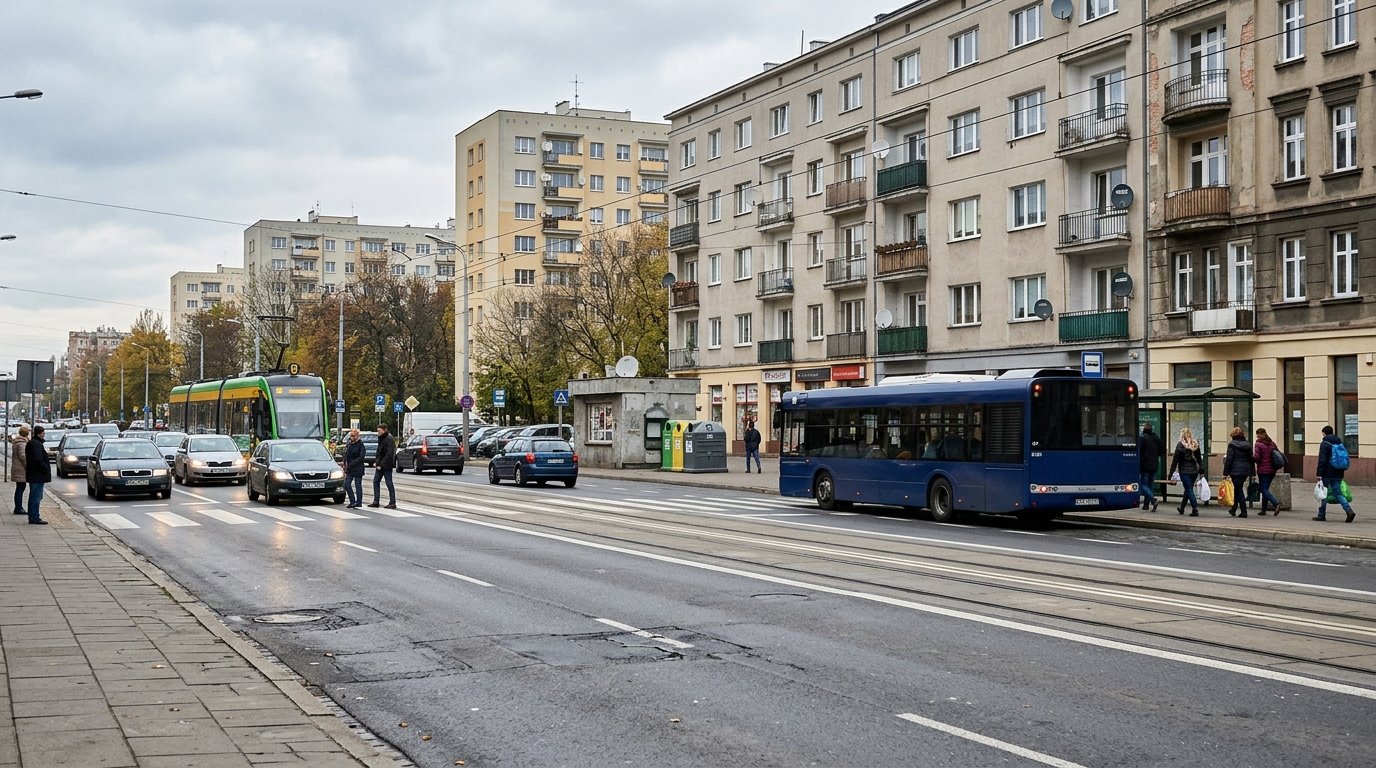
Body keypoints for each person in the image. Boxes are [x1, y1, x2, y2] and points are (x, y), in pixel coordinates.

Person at [1315, 425, 1355, 523]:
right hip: (1338, 472)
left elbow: (1322, 460)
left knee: (1323, 494)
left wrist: (1319, 473)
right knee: (1338, 493)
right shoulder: (1339, 442)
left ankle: (1321, 515)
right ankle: (1349, 511)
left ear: (1324, 433)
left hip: (1327, 473)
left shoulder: (1325, 443)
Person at [1168, 427, 1203, 517]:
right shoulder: (1195, 444)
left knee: (1189, 489)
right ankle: (1182, 508)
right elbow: (1199, 459)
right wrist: (1201, 470)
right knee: (1188, 489)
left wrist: (1170, 474)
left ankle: (1195, 508)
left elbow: (1175, 461)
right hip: (1194, 471)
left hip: (1184, 471)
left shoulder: (1180, 445)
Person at [1221, 426, 1254, 518]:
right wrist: (1253, 471)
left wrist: (1225, 472)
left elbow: (1229, 459)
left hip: (1235, 470)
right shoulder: (1247, 445)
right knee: (1237, 488)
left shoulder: (1232, 445)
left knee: (1239, 490)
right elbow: (1251, 459)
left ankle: (1244, 511)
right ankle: (1234, 509)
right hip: (1245, 470)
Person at [24, 425, 51, 525]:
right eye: (43, 433)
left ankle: (33, 516)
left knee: (34, 496)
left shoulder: (34, 443)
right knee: (36, 496)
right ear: (39, 433)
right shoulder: (36, 444)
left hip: (34, 474)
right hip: (37, 475)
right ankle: (34, 517)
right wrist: (45, 468)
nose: (44, 435)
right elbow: (38, 459)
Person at [1253, 427, 1282, 516]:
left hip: (1263, 470)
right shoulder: (1272, 443)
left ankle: (1276, 503)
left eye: (1257, 435)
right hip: (1272, 470)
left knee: (1263, 489)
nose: (1257, 436)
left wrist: (1251, 457)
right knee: (1265, 488)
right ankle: (1263, 510)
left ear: (1259, 434)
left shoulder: (1258, 444)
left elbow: (1257, 457)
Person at [1137, 422, 1165, 511]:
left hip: (1145, 465)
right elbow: (1162, 450)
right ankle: (1146, 505)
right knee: (1150, 485)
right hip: (1154, 465)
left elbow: (1139, 451)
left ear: (1144, 430)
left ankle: (1153, 500)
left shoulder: (1142, 438)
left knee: (1143, 485)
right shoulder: (1156, 438)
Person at [369, 423, 397, 509]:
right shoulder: (381, 438)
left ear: (384, 430)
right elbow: (379, 453)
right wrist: (377, 463)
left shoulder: (389, 439)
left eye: (379, 431)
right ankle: (376, 501)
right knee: (376, 481)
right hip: (380, 465)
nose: (378, 432)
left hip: (386, 465)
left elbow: (389, 454)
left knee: (389, 483)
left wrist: (381, 464)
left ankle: (392, 502)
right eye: (378, 431)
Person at [343, 428, 366, 509]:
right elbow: (346, 455)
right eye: (351, 436)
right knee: (347, 484)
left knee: (358, 485)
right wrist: (345, 464)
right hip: (350, 468)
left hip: (358, 468)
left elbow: (361, 456)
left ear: (357, 436)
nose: (352, 437)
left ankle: (358, 502)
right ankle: (352, 501)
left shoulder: (360, 444)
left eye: (353, 436)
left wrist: (353, 462)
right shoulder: (349, 444)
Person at [10, 425, 29, 515]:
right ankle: (18, 508)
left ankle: (18, 507)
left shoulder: (17, 442)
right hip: (21, 469)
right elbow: (22, 456)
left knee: (20, 488)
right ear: (26, 434)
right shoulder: (22, 443)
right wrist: (27, 465)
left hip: (17, 468)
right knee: (20, 488)